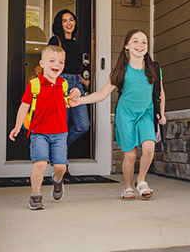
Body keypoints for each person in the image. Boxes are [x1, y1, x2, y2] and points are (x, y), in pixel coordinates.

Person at [69, 29, 166, 200]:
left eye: (144, 41)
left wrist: (162, 113)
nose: (140, 45)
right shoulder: (120, 71)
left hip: (146, 113)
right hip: (126, 114)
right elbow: (101, 94)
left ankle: (141, 181)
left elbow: (161, 93)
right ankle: (128, 186)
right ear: (127, 46)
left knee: (149, 147)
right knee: (130, 154)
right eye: (135, 41)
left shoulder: (154, 68)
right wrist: (80, 101)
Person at [9, 45, 81, 210]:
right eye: (52, 61)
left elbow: (69, 102)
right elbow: (24, 106)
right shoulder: (34, 84)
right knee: (40, 163)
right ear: (42, 63)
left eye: (61, 62)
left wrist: (76, 92)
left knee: (60, 167)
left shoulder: (63, 85)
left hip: (60, 133)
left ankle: (57, 180)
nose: (57, 65)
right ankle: (35, 196)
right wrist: (17, 126)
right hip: (39, 132)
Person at [50, 9, 90, 146]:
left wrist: (83, 81)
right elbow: (51, 65)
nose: (69, 23)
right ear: (60, 24)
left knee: (83, 125)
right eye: (64, 20)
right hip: (61, 83)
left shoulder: (76, 44)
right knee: (62, 125)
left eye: (71, 19)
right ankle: (61, 161)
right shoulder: (55, 40)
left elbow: (75, 67)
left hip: (77, 84)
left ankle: (57, 149)